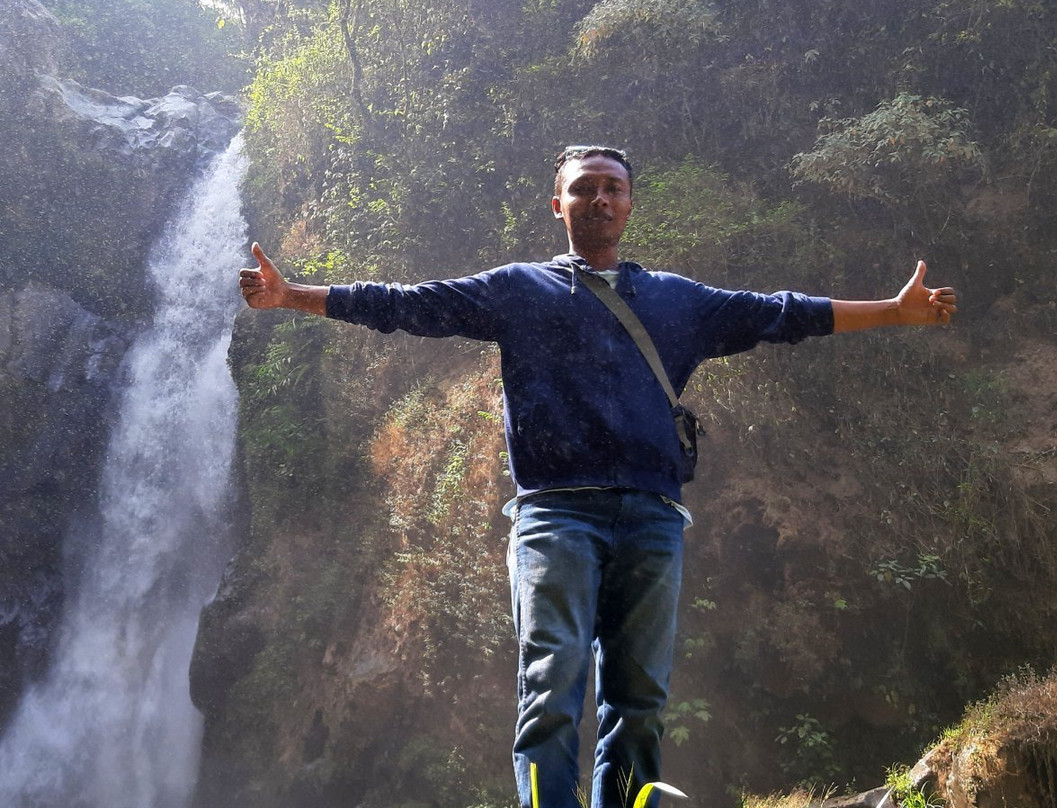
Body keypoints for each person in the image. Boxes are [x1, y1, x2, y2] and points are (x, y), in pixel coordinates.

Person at [238, 145, 957, 808]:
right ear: (559, 204)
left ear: (630, 203)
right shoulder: (516, 289)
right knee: (551, 682)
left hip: (652, 515)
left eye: (613, 188)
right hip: (555, 513)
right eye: (584, 188)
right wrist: (291, 295)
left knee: (640, 698)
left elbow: (781, 315)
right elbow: (405, 305)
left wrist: (895, 312)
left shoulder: (679, 300)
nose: (600, 199)